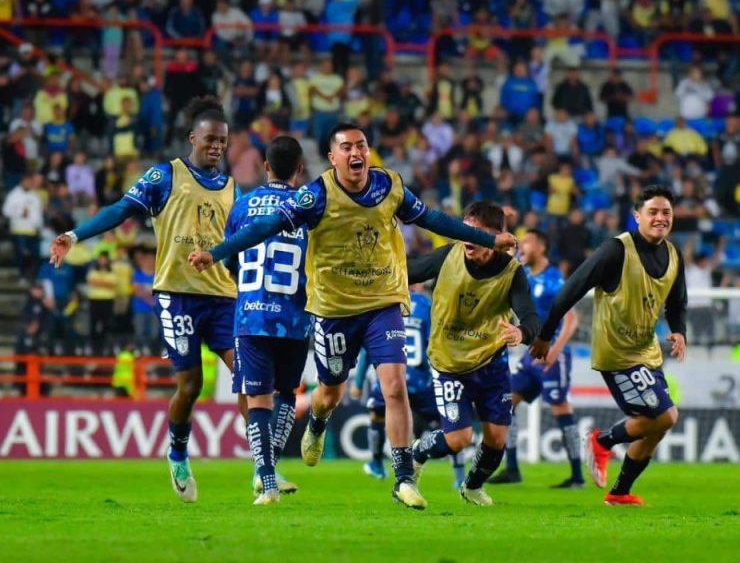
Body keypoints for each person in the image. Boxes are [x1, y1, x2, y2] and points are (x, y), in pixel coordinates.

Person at [189, 123, 518, 509]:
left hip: (383, 302)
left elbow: (433, 219)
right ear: (333, 157)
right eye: (346, 147)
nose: (355, 152)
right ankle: (318, 420)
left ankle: (404, 478)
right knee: (329, 393)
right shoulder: (315, 196)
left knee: (393, 387)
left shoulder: (389, 186)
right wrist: (217, 252)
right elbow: (267, 226)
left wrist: (488, 239)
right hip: (334, 310)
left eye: (361, 145)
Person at [49, 96, 237, 504]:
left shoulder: (233, 188)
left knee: (248, 372)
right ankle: (178, 452)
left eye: (223, 140)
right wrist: (75, 235)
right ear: (193, 138)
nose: (217, 146)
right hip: (177, 294)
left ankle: (264, 466)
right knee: (190, 385)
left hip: (223, 295)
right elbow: (120, 210)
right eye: (210, 139)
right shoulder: (164, 176)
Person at [529, 185, 687, 506]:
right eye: (653, 212)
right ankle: (602, 441)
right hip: (617, 353)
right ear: (637, 216)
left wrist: (679, 331)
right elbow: (571, 289)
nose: (660, 218)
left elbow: (677, 301)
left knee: (655, 428)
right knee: (667, 417)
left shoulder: (673, 254)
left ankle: (618, 493)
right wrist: (545, 334)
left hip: (647, 352)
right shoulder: (615, 250)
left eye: (666, 212)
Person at [407, 201, 540, 506]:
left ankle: (472, 486)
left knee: (497, 440)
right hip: (448, 362)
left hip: (491, 363)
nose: (468, 237)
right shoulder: (448, 256)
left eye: (478, 232)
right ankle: (418, 451)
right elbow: (409, 269)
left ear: (496, 238)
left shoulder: (512, 272)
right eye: (466, 228)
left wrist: (521, 333)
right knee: (459, 439)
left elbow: (530, 317)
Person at [226, 136, 311, 506]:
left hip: (252, 315)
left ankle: (266, 481)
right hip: (295, 316)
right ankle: (271, 470)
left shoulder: (242, 207)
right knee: (287, 395)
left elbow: (231, 261)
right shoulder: (308, 207)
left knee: (257, 398)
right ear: (300, 169)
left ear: (266, 166)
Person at [489, 229, 583, 488]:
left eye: (527, 241)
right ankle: (512, 469)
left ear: (541, 247)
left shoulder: (554, 280)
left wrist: (554, 351)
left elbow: (572, 319)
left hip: (554, 356)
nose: (522, 246)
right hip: (531, 356)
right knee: (507, 402)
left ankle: (577, 476)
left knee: (560, 408)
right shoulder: (524, 274)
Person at [351, 285, 466, 488]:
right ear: (419, 284)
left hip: (393, 377)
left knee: (377, 414)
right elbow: (435, 343)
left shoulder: (386, 304)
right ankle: (459, 477)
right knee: (448, 422)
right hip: (421, 381)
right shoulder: (427, 306)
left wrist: (359, 383)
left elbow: (367, 350)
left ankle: (377, 463)